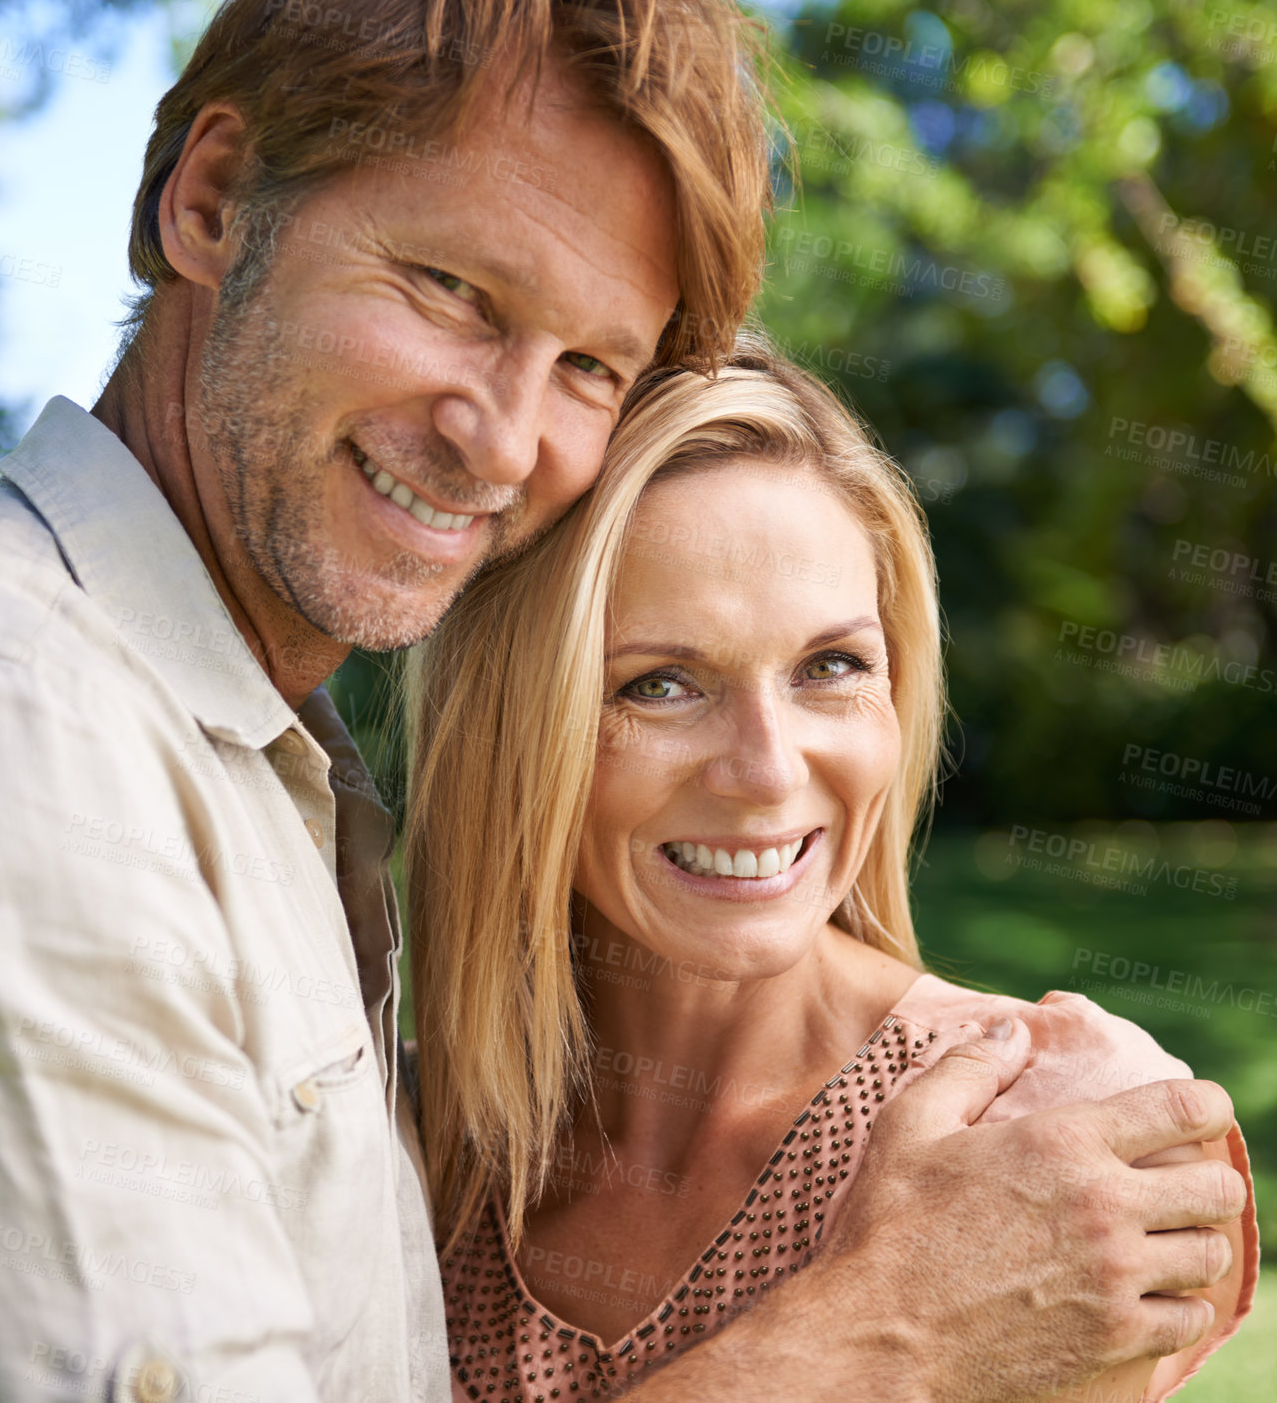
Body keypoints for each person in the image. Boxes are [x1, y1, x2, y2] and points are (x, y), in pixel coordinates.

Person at [0, 0, 1247, 1400]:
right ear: (212, 201)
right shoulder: (3, 721)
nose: (504, 438)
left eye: (590, 362)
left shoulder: (1042, 1140)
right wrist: (883, 1328)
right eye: (453, 291)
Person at [408, 339, 1259, 1402]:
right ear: (505, 725)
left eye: (831, 666)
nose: (767, 771)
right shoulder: (404, 1145)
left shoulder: (1054, 1134)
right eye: (659, 683)